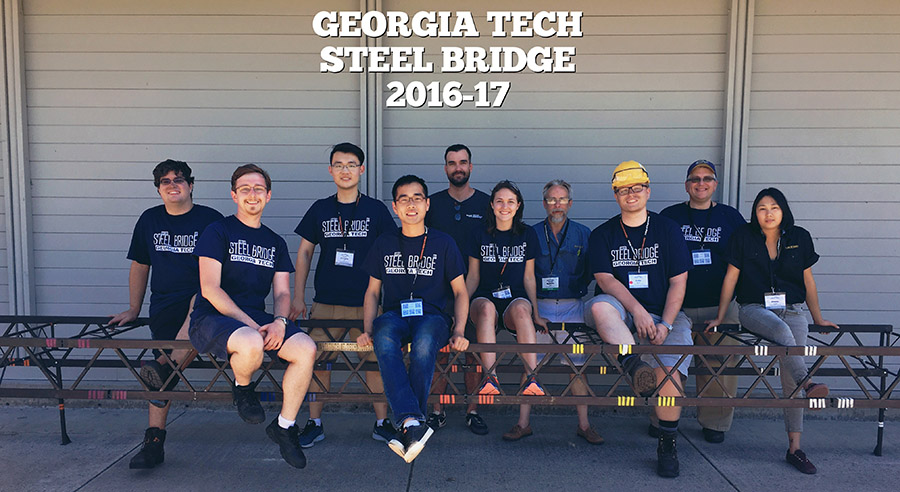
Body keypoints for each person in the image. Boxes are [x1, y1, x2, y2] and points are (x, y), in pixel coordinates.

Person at [189, 164, 317, 469]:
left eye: (258, 188)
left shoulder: (275, 241)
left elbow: (283, 294)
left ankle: (285, 427)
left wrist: (280, 322)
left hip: (259, 318)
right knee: (250, 342)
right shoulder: (218, 231)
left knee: (306, 349)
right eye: (244, 188)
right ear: (234, 195)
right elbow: (210, 289)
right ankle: (243, 388)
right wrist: (252, 324)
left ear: (268, 196)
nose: (252, 194)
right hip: (214, 316)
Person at [706, 187, 836, 475]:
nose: (768, 213)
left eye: (774, 207)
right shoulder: (743, 236)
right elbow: (731, 278)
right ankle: (808, 382)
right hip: (754, 309)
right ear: (755, 212)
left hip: (793, 309)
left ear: (783, 210)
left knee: (790, 374)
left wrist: (818, 317)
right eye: (762, 207)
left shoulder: (799, 237)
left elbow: (808, 281)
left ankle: (795, 448)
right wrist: (719, 315)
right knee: (783, 335)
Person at [111, 159, 223, 470]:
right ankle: (154, 442)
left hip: (206, 305)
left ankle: (154, 433)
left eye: (178, 179)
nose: (172, 185)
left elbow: (222, 270)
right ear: (159, 189)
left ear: (191, 185)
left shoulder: (211, 220)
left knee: (197, 303)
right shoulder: (149, 220)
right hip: (163, 306)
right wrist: (133, 308)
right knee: (165, 377)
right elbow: (140, 265)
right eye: (165, 181)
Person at [585, 160, 693, 478]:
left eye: (637, 188)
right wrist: (637, 310)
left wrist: (666, 324)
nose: (630, 194)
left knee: (670, 374)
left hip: (665, 314)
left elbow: (679, 281)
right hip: (623, 310)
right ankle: (634, 365)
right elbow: (606, 280)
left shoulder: (667, 229)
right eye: (623, 189)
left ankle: (667, 443)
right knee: (599, 307)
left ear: (648, 190)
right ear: (615, 194)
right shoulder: (603, 234)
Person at [289, 143, 396, 447]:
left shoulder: (375, 209)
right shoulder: (321, 208)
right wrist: (298, 296)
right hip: (326, 303)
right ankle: (315, 423)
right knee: (319, 363)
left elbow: (391, 253)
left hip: (367, 305)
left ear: (362, 169)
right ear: (330, 170)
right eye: (339, 165)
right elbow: (305, 253)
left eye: (351, 164)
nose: (345, 170)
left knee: (376, 364)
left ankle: (381, 422)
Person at [357, 175, 469, 463]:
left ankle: (407, 421)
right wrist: (367, 328)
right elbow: (372, 293)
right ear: (395, 207)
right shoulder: (384, 243)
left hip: (432, 316)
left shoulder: (443, 242)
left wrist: (459, 329)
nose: (411, 204)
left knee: (423, 343)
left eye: (417, 197)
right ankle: (413, 426)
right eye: (404, 199)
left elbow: (460, 292)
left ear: (427, 204)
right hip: (394, 314)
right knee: (383, 338)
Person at [658, 160, 746, 443]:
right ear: (686, 185)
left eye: (707, 178)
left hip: (719, 305)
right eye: (695, 179)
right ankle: (660, 417)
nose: (701, 183)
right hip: (676, 306)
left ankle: (715, 423)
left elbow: (743, 260)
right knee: (667, 362)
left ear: (715, 185)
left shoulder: (731, 218)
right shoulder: (669, 216)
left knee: (718, 365)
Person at [466, 180, 549, 441]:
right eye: (499, 201)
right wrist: (459, 311)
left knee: (523, 310)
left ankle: (531, 379)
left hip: (514, 302)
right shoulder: (479, 233)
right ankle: (491, 379)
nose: (505, 206)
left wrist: (536, 312)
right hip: (484, 300)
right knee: (488, 308)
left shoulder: (527, 235)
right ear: (492, 205)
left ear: (518, 206)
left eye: (510, 201)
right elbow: (472, 277)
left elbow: (528, 278)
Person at [424, 143, 491, 435]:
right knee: (438, 353)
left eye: (463, 162)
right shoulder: (432, 204)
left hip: (476, 291)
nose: (458, 168)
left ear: (471, 167)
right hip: (437, 292)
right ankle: (437, 411)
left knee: (471, 355)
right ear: (445, 169)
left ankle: (472, 410)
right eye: (452, 163)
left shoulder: (487, 204)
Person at [531, 179, 602, 444]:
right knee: (531, 367)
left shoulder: (584, 234)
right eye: (551, 199)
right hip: (541, 307)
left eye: (562, 199)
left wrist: (578, 288)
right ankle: (522, 423)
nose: (556, 204)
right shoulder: (532, 234)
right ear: (544, 204)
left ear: (570, 203)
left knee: (577, 368)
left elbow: (591, 270)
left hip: (573, 305)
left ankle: (584, 425)